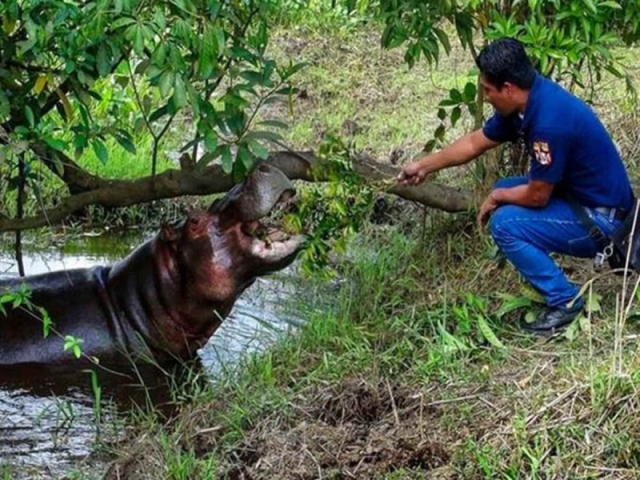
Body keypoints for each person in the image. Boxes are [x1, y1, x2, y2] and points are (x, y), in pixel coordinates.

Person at [397, 38, 634, 336]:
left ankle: (565, 303)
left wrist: (496, 196)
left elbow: (537, 196)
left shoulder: (549, 123)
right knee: (508, 189)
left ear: (508, 87)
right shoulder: (529, 101)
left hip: (605, 220)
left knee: (506, 223)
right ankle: (540, 271)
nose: (485, 96)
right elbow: (474, 142)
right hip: (585, 199)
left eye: (487, 90)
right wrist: (423, 167)